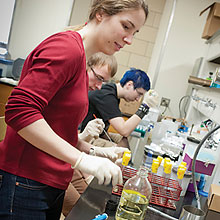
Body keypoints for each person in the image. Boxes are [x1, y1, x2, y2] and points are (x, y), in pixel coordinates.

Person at [0, 0, 149, 219]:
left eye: (135, 32)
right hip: (25, 180)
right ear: (100, 14)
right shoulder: (67, 48)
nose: (129, 40)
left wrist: (95, 151)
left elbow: (57, 129)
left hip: (48, 181)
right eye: (126, 27)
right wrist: (81, 161)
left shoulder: (81, 58)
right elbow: (20, 110)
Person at [81, 68, 159, 147]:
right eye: (139, 94)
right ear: (129, 85)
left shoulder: (113, 93)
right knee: (122, 151)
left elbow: (108, 131)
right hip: (85, 138)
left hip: (98, 134)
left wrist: (111, 141)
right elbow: (124, 130)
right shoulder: (106, 96)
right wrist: (145, 106)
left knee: (123, 139)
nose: (138, 99)